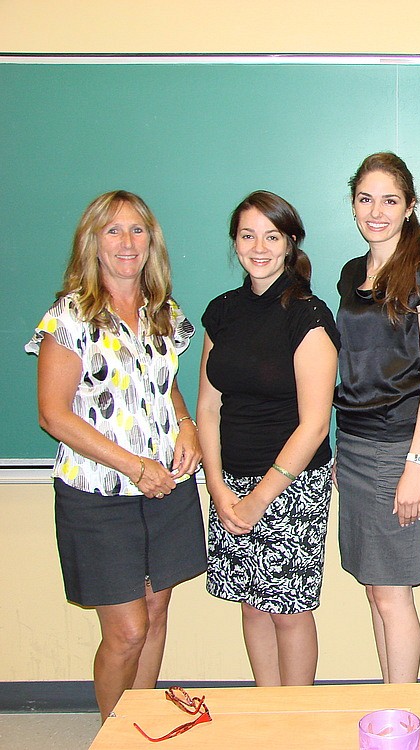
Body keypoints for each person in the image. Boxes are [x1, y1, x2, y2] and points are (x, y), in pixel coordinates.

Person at [26, 190, 205, 721]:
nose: (127, 242)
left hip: (164, 490)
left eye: (137, 230)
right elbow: (53, 415)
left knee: (155, 612)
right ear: (92, 242)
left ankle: (140, 722)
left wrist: (187, 424)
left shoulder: (162, 312)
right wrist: (135, 467)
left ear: (152, 241)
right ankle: (113, 732)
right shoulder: (70, 316)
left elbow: (162, 383)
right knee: (126, 631)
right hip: (100, 497)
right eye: (113, 231)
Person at [197, 190, 339, 686]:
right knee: (252, 607)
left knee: (287, 611)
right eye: (247, 235)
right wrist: (217, 487)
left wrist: (260, 497)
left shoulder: (309, 315)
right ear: (234, 242)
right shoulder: (222, 312)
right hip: (229, 485)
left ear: (289, 242)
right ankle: (265, 709)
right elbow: (208, 407)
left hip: (290, 488)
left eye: (271, 236)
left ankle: (294, 720)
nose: (258, 247)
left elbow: (315, 424)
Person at [335, 153, 420, 683]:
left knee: (393, 592)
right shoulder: (349, 275)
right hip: (354, 447)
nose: (375, 211)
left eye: (389, 200)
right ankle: (388, 705)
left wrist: (416, 463)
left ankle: (406, 710)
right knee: (374, 589)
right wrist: (340, 449)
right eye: (365, 199)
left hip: (397, 449)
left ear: (409, 208)